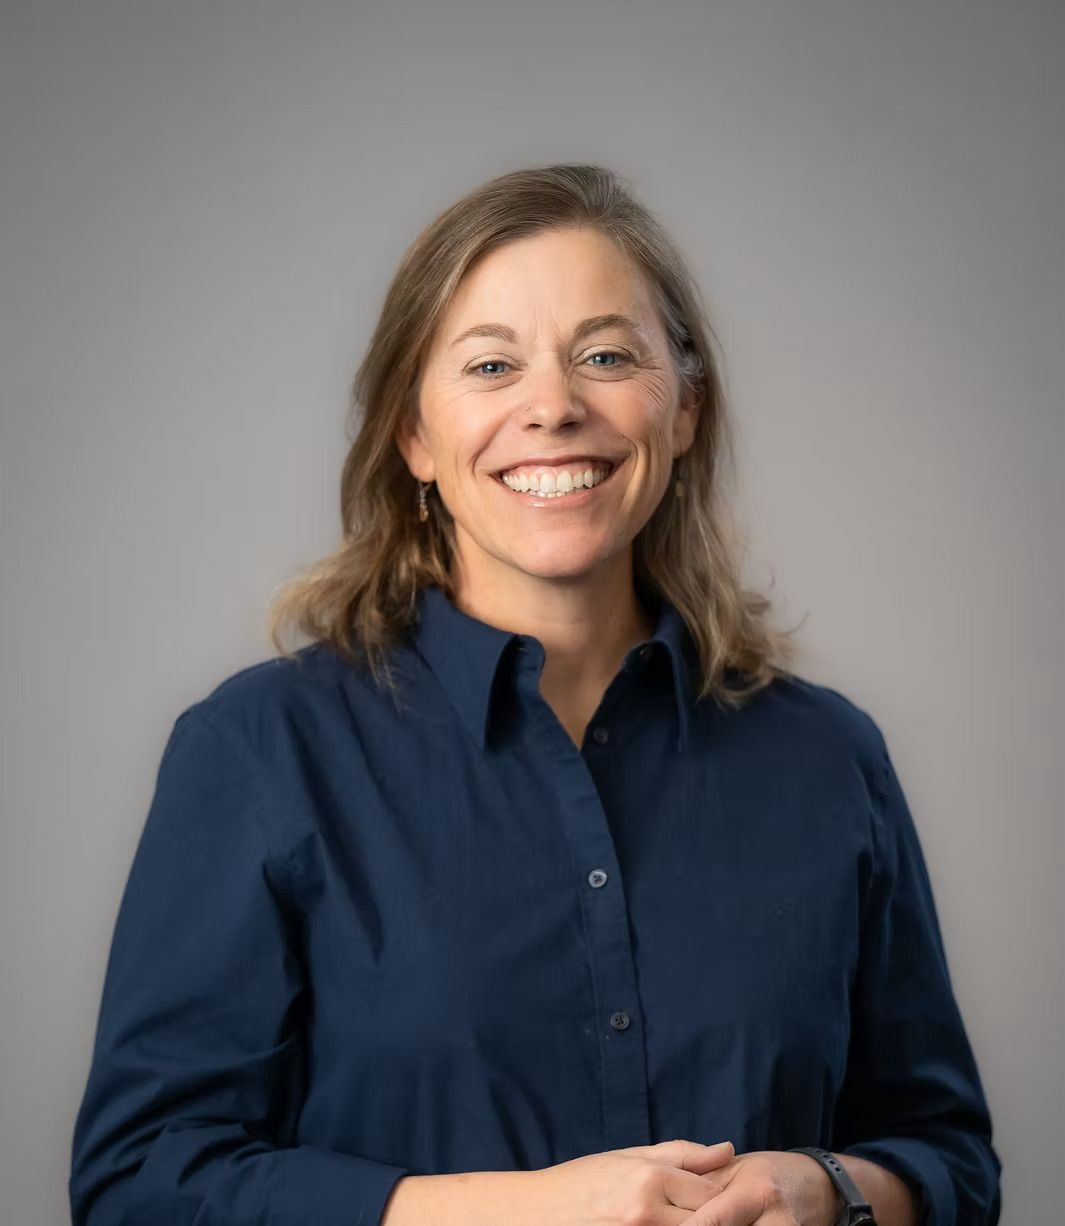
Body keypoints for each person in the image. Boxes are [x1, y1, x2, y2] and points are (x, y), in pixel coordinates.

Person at [69, 163, 1002, 1226]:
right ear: (413, 434)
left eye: (607, 356)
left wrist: (831, 1188)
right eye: (491, 365)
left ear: (684, 409)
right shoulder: (258, 753)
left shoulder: (831, 758)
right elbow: (138, 1181)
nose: (553, 407)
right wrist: (518, 1208)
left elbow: (951, 1159)